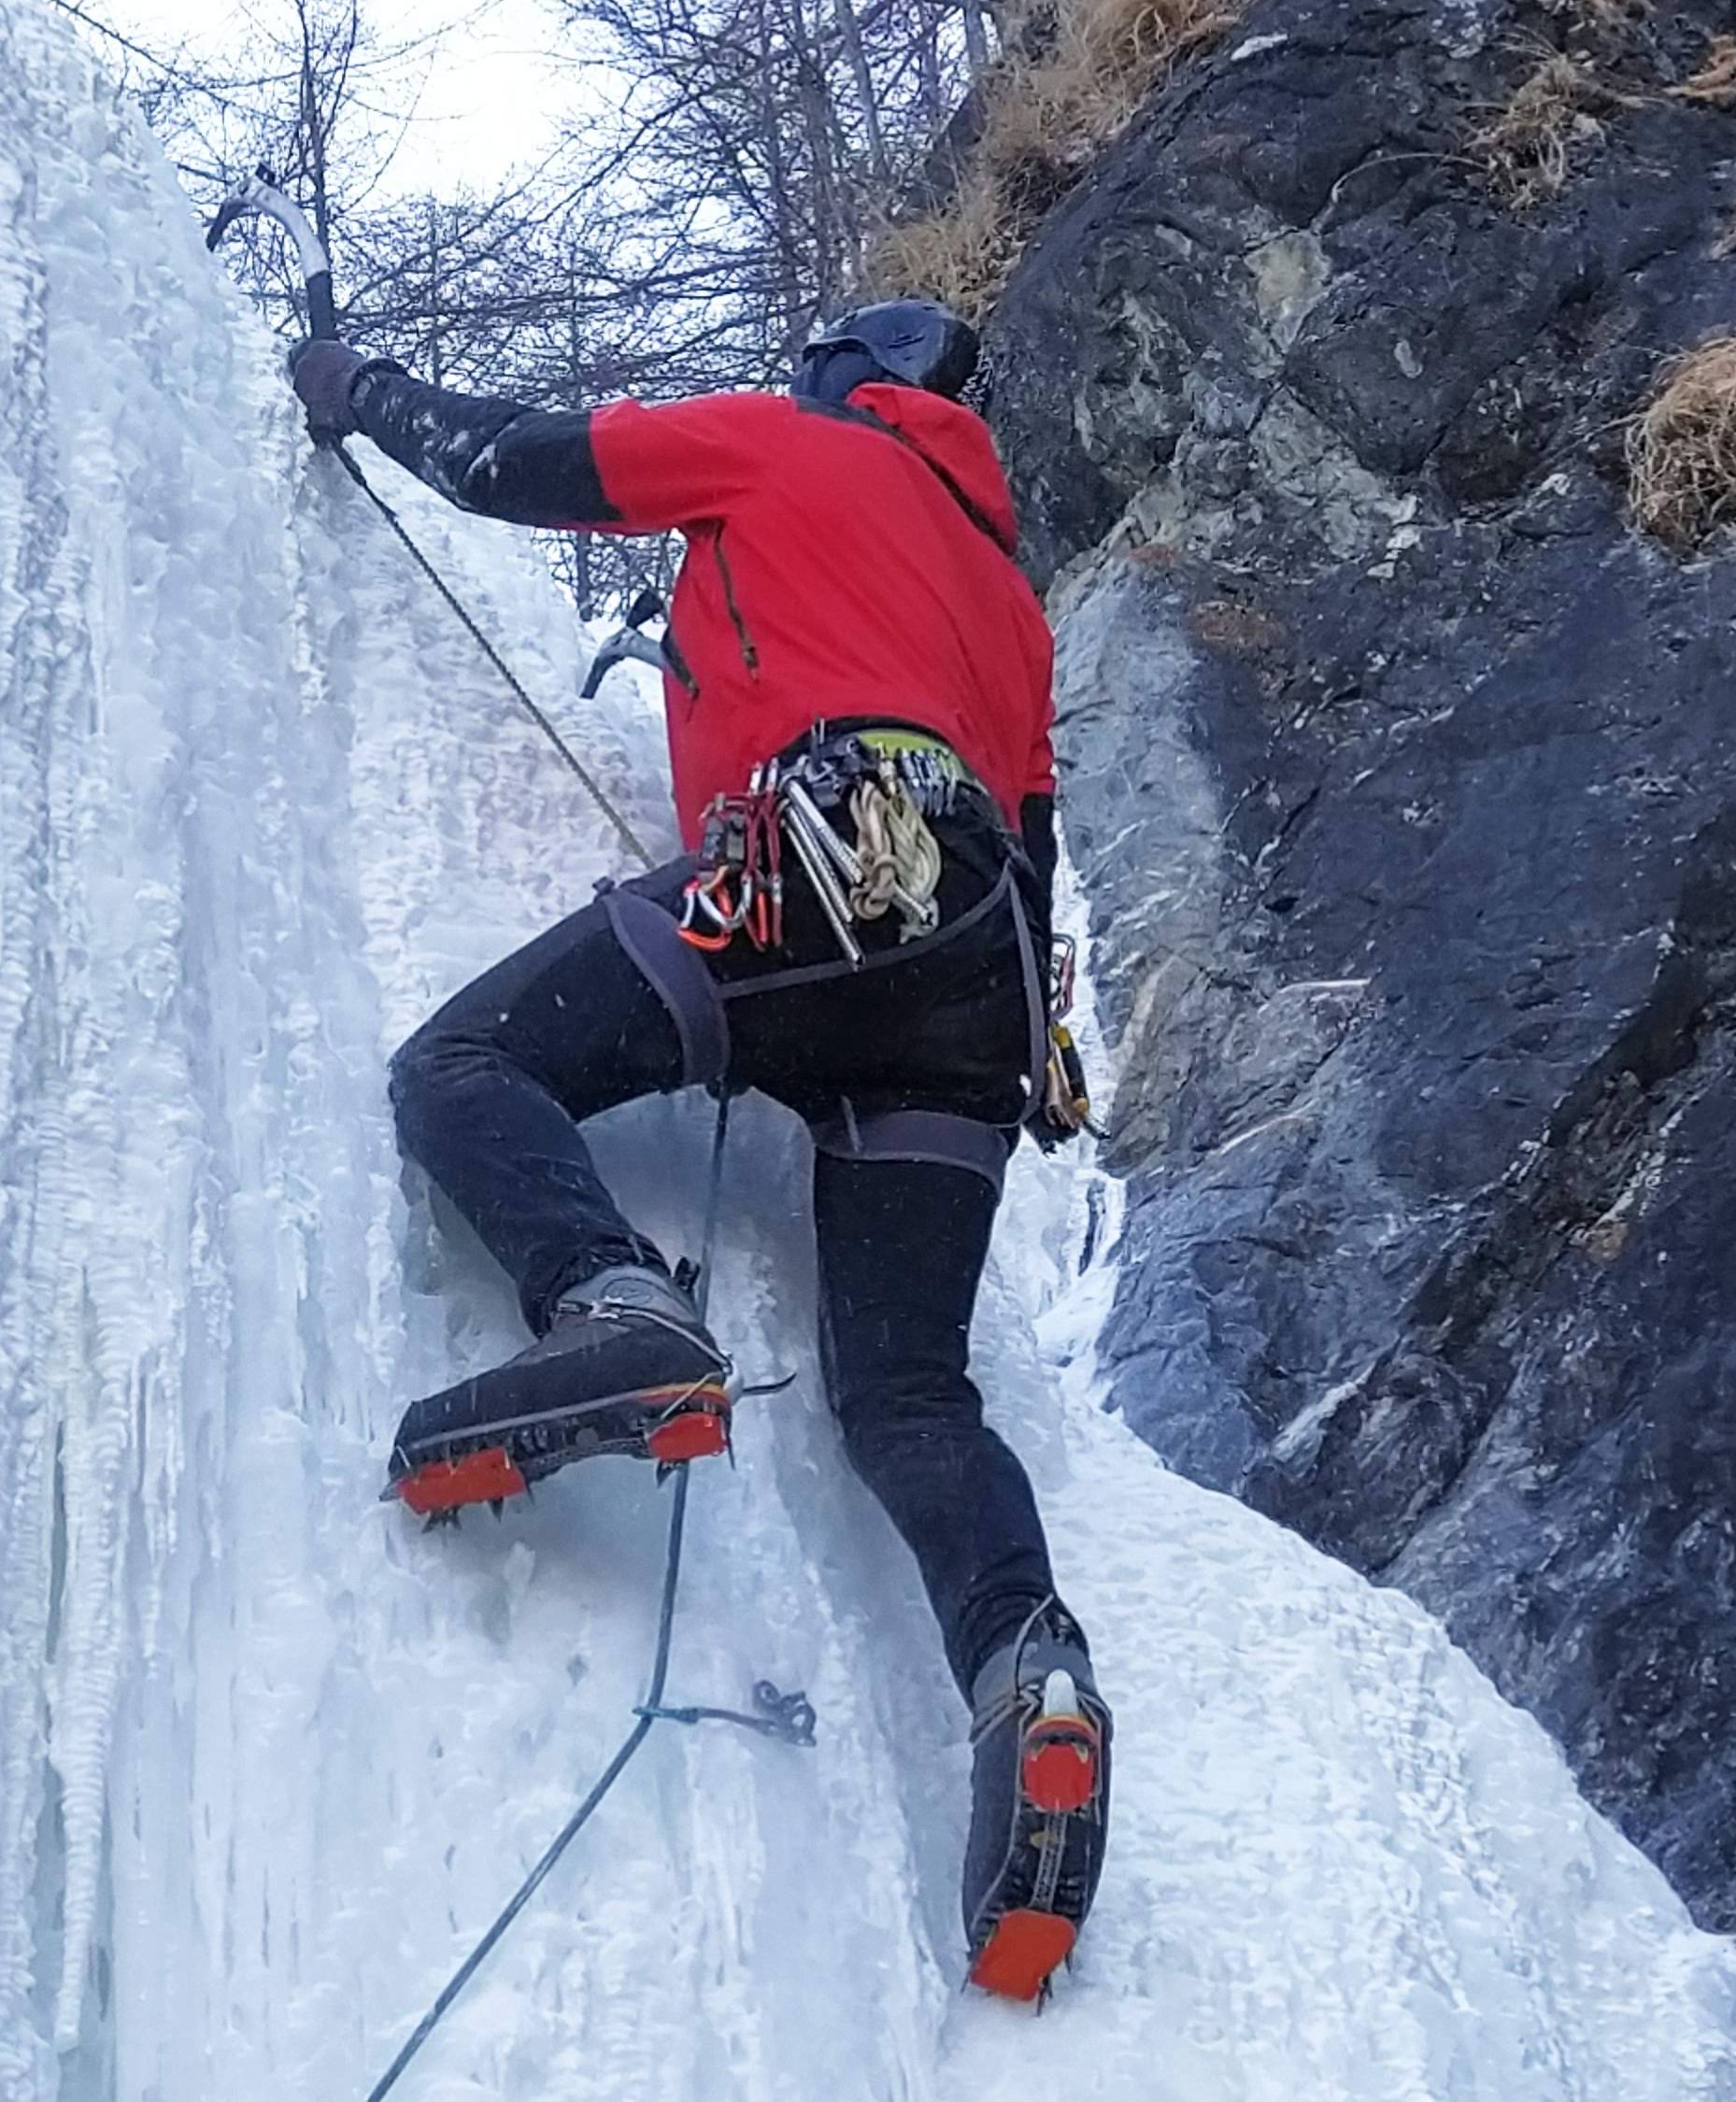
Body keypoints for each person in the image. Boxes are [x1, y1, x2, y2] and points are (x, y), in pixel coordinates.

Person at [290, 300, 1112, 2001]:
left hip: (831, 861)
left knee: (461, 1066)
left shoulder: (784, 441)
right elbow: (1025, 834)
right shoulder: (1013, 609)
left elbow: (528, 464)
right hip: (978, 995)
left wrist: (357, 384)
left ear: (838, 382)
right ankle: (1029, 1677)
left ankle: (613, 1304)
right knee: (905, 1395)